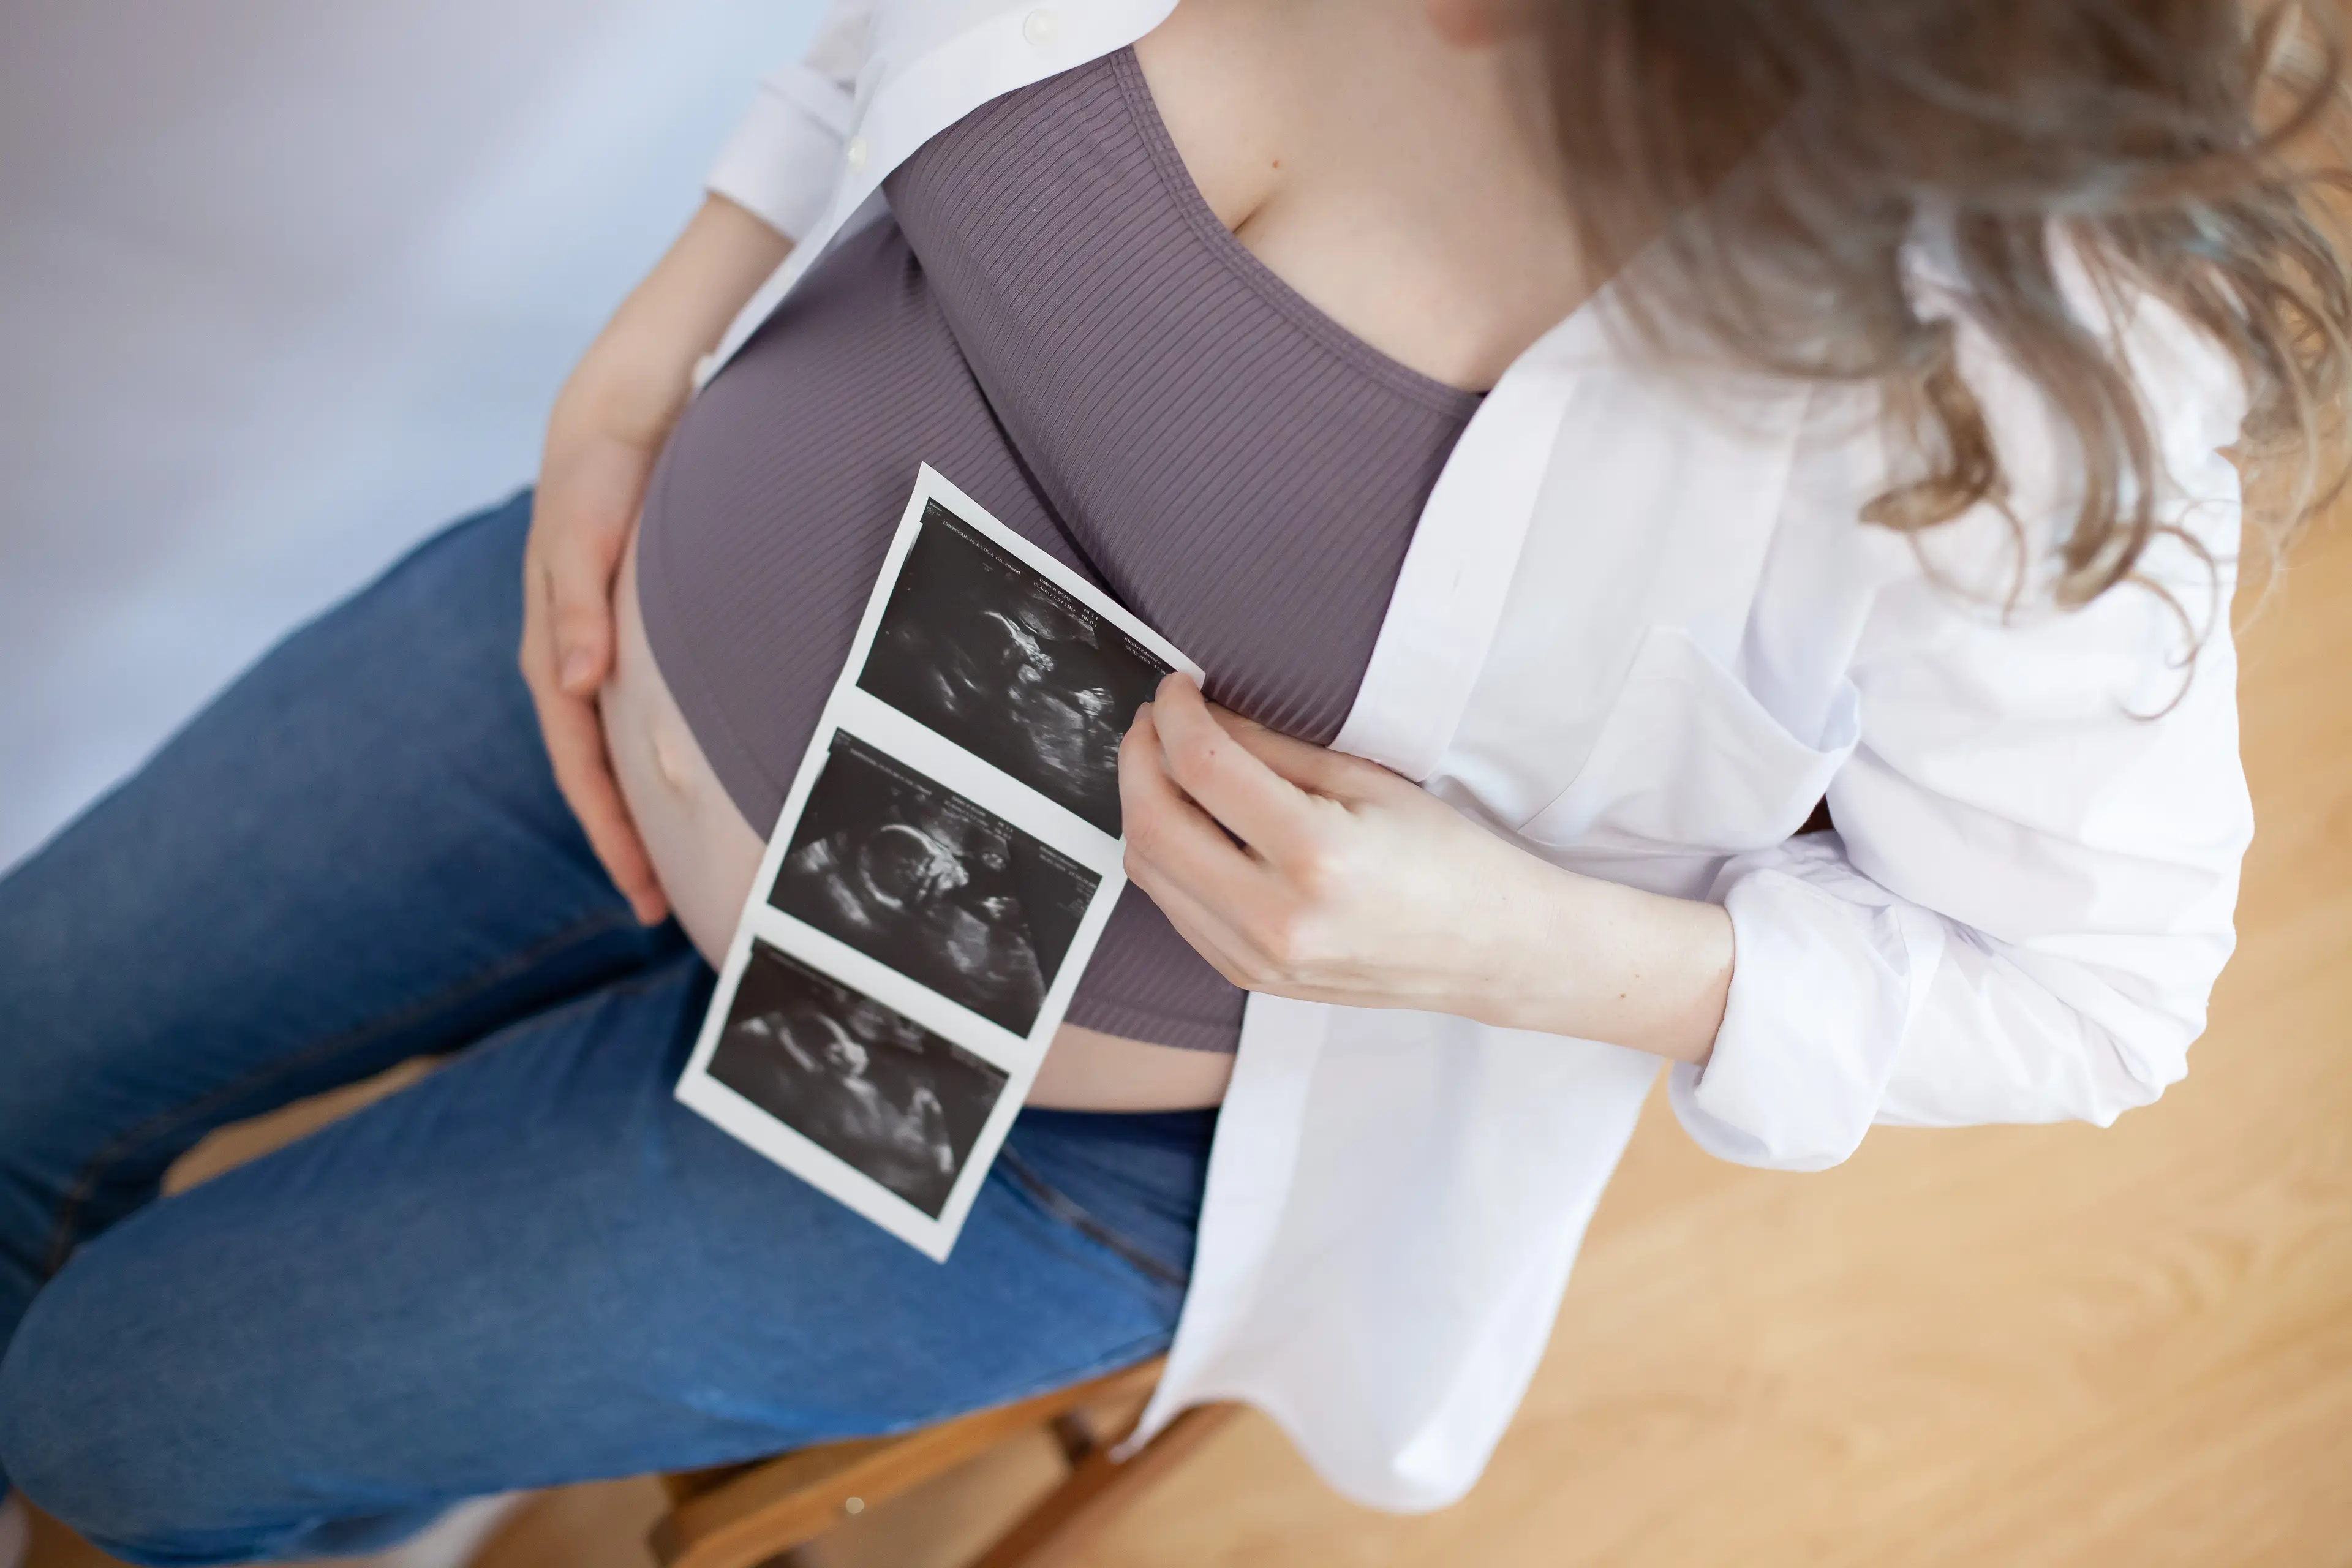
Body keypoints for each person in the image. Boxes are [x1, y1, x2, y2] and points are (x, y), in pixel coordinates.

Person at [0, 0, 2343, 1559]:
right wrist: (675, 310)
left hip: (1054, 1132)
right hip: (614, 646)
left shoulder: (2030, 403)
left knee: (119, 1422)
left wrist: (1535, 949)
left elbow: (2103, 994)